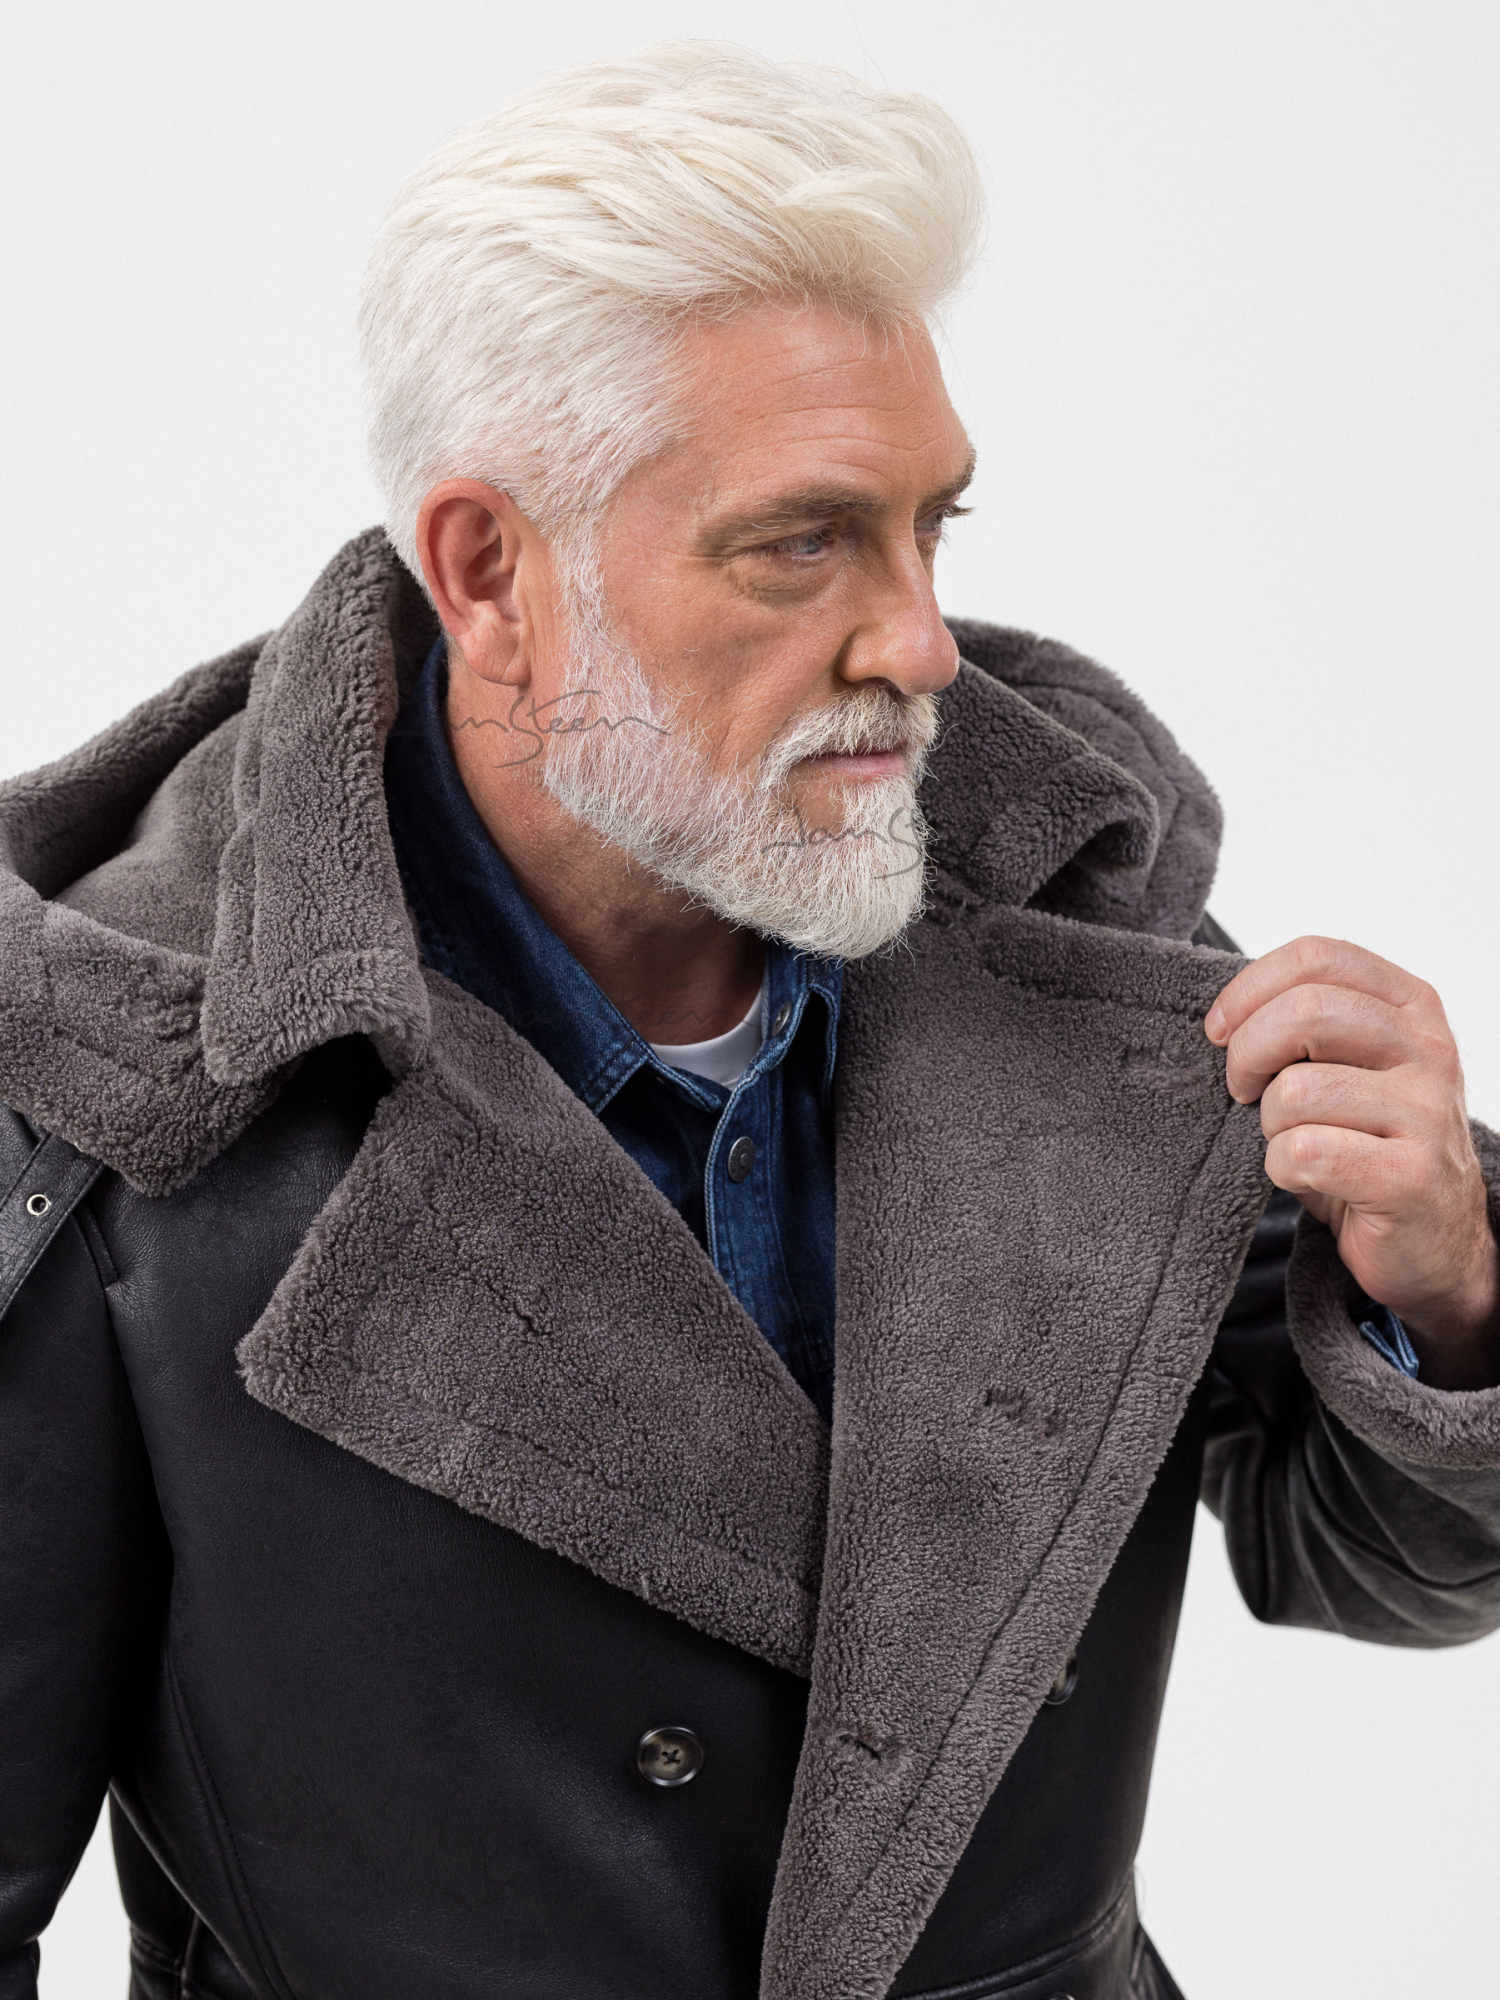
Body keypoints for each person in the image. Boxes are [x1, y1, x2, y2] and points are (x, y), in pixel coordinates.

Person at [2, 41, 1498, 2000]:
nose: (920, 642)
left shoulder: (1081, 929)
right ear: (489, 571)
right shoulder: (122, 1081)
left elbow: (1363, 1564)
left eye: (932, 524)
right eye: (802, 541)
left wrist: (1452, 1302)